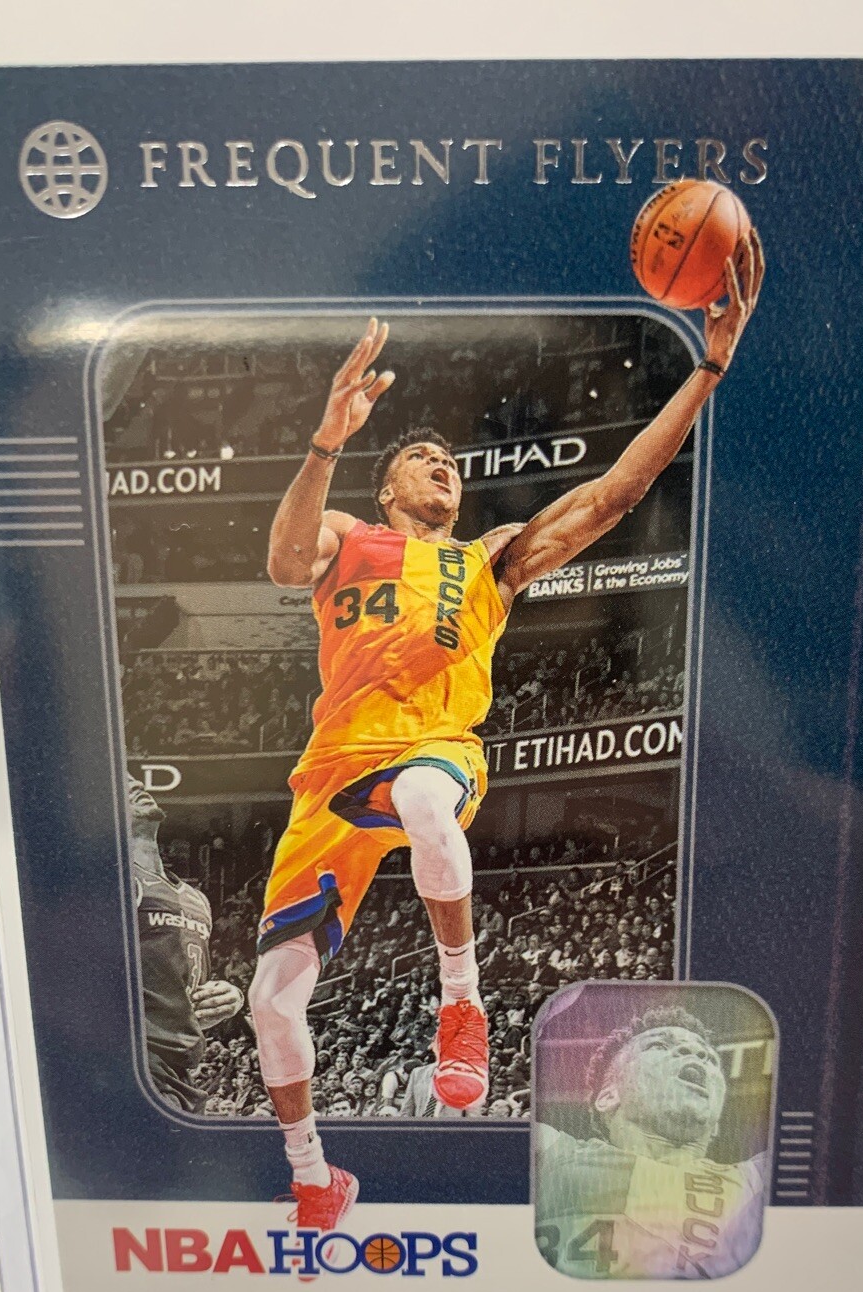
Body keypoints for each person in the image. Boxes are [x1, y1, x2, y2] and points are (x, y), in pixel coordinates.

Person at [249, 237, 764, 1229]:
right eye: (420, 458)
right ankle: (314, 1176)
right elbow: (280, 559)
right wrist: (325, 440)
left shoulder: (489, 556)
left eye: (450, 461)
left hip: (436, 747)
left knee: (425, 798)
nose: (442, 464)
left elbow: (612, 496)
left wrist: (706, 368)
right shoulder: (349, 536)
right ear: (389, 488)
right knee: (272, 997)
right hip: (331, 774)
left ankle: (462, 1001)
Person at [534, 1004, 767, 1280]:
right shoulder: (554, 1153)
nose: (696, 1052)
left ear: (716, 1120)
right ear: (608, 1097)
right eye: (658, 1045)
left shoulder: (757, 1180)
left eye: (710, 1058)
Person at [128, 776, 244, 1111]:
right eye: (122, 784)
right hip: (140, 1063)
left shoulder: (196, 898)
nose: (136, 785)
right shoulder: (117, 881)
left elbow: (182, 992)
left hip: (179, 1072)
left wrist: (229, 997)